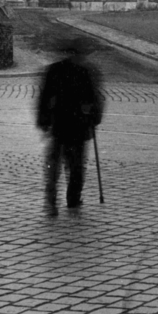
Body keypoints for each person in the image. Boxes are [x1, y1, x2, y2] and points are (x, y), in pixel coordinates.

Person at [36, 38, 104, 216]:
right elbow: (95, 100)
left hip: (65, 125)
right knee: (70, 166)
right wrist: (94, 118)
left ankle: (59, 201)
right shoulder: (84, 72)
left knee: (62, 166)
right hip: (72, 126)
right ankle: (66, 200)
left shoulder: (57, 70)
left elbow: (44, 97)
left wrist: (43, 120)